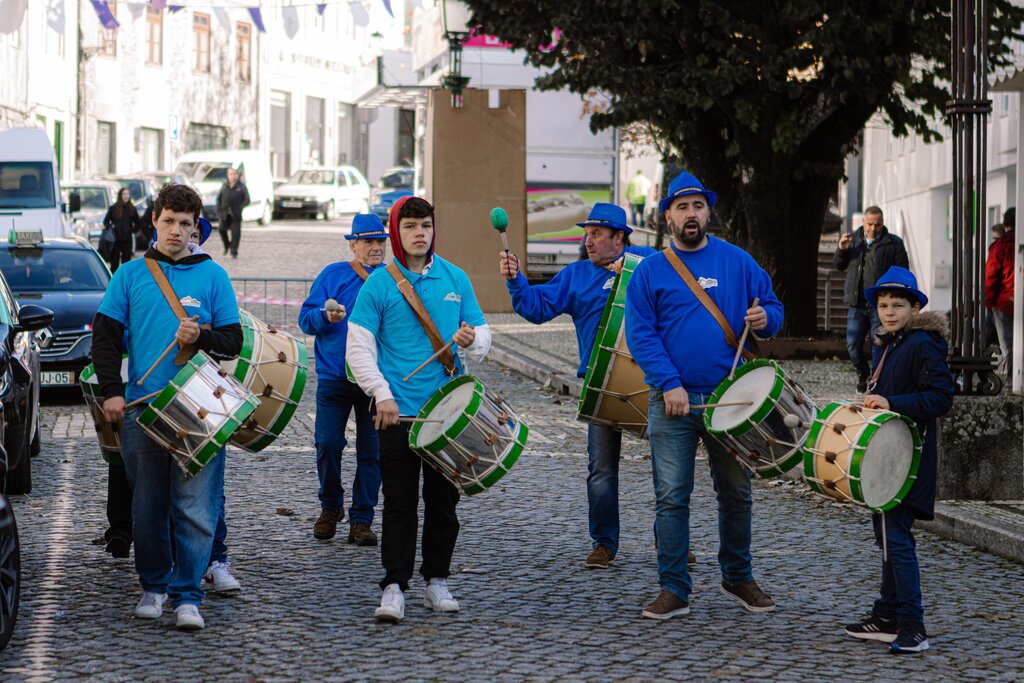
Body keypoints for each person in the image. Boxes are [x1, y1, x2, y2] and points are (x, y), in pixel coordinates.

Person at [625, 171, 784, 620]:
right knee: (672, 496)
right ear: (668, 216)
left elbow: (774, 309)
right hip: (671, 400)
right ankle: (674, 588)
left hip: (731, 400)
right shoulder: (651, 271)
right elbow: (640, 334)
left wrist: (764, 318)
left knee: (737, 493)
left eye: (697, 206)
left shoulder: (738, 261)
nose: (690, 214)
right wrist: (669, 382)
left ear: (708, 211)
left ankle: (737, 577)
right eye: (682, 207)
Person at [92, 183, 243, 631]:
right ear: (154, 221)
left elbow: (233, 341)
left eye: (185, 224)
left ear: (196, 228)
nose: (176, 231)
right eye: (169, 221)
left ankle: (188, 595)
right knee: (148, 505)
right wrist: (111, 391)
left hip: (200, 407)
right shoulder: (130, 275)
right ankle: (154, 586)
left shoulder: (213, 276)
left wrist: (202, 338)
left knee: (196, 504)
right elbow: (104, 338)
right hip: (143, 405)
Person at [346, 196, 491, 622]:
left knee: (444, 503)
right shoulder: (378, 284)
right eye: (410, 226)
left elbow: (482, 333)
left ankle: (437, 581)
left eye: (425, 225)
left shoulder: (456, 277)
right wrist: (381, 394)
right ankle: (394, 586)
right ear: (397, 231)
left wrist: (472, 341)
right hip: (397, 412)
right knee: (399, 502)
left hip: (447, 414)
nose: (419, 233)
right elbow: (359, 347)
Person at [498, 202, 657, 569]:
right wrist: (515, 279)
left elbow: (677, 275)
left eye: (597, 234)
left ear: (621, 238)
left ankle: (673, 542)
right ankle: (603, 543)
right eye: (587, 234)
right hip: (600, 384)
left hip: (654, 383)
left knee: (666, 469)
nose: (589, 241)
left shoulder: (647, 262)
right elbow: (536, 308)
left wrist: (634, 269)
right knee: (601, 469)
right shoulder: (575, 276)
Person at [844, 266, 954, 653]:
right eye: (884, 305)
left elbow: (941, 397)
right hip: (886, 458)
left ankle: (913, 625)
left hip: (910, 460)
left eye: (898, 305)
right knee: (888, 541)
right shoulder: (887, 343)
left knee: (898, 541)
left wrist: (892, 402)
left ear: (914, 307)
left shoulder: (923, 343)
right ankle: (887, 615)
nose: (889, 311)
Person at [299, 214, 388, 546]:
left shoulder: (394, 280)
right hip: (334, 378)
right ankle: (331, 505)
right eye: (369, 241)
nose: (376, 247)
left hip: (376, 381)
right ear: (353, 244)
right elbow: (305, 320)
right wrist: (325, 315)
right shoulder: (333, 275)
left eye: (381, 241)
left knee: (372, 452)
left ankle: (362, 520)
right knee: (326, 444)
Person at [834, 207, 909, 393]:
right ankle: (862, 373)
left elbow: (903, 271)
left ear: (882, 223)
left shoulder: (894, 243)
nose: (873, 228)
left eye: (877, 224)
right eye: (870, 224)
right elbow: (839, 265)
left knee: (879, 342)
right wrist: (842, 250)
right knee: (852, 344)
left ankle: (875, 381)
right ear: (863, 223)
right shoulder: (852, 240)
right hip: (857, 303)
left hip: (880, 305)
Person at [985, 207, 1015, 378]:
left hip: (1004, 302)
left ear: (1005, 224)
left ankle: (1012, 380)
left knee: (1008, 346)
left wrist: (989, 304)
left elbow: (990, 277)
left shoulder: (999, 246)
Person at [102, 187, 141, 272]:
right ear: (120, 195)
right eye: (124, 194)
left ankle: (125, 282)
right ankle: (114, 281)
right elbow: (105, 221)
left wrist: (131, 230)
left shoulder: (132, 208)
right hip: (115, 240)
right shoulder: (113, 208)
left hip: (127, 240)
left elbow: (138, 224)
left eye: (127, 194)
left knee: (126, 264)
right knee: (114, 264)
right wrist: (111, 226)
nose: (126, 196)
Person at [216, 167, 250, 259]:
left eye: (234, 174)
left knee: (235, 234)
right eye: (230, 174)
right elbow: (219, 198)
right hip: (224, 213)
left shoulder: (241, 186)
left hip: (236, 214)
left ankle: (233, 251)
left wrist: (240, 208)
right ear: (227, 175)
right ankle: (227, 245)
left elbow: (247, 200)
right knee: (221, 229)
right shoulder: (224, 185)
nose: (232, 176)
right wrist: (219, 209)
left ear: (237, 175)